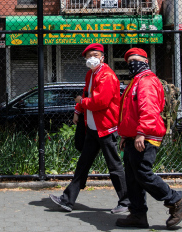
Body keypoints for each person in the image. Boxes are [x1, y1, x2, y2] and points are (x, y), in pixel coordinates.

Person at [115, 48, 182, 229]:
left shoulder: (147, 81)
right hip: (135, 136)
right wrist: (127, 136)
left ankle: (177, 201)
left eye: (135, 59)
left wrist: (141, 132)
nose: (131, 63)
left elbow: (148, 109)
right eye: (129, 61)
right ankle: (138, 214)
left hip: (145, 136)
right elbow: (129, 113)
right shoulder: (136, 82)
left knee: (143, 174)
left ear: (145, 61)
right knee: (132, 177)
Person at [49, 43, 129, 214]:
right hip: (94, 128)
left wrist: (81, 103)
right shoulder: (91, 74)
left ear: (102, 57)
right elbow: (86, 93)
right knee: (83, 165)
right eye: (88, 56)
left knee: (114, 166)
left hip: (105, 128)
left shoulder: (106, 76)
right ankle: (67, 200)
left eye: (95, 54)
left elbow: (101, 102)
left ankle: (126, 201)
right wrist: (78, 110)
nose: (91, 58)